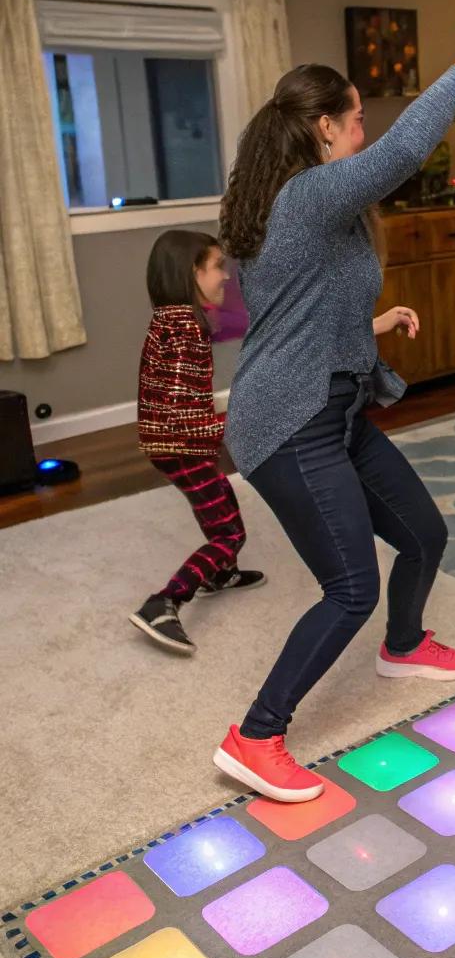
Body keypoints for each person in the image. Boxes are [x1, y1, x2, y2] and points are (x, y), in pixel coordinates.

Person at [213, 10, 455, 803]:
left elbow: (291, 305)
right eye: (357, 118)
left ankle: (402, 646)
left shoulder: (300, 204)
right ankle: (256, 733)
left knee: (423, 533)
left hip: (329, 407)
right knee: (349, 586)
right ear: (323, 128)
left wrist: (370, 323)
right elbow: (410, 149)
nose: (365, 131)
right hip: (286, 422)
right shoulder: (304, 198)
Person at [130, 231, 264, 655]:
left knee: (220, 498)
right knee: (228, 533)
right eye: (217, 266)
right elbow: (177, 404)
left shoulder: (170, 317)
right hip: (179, 444)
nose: (225, 276)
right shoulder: (187, 327)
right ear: (193, 272)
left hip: (167, 443)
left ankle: (219, 575)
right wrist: (227, 425)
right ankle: (164, 602)